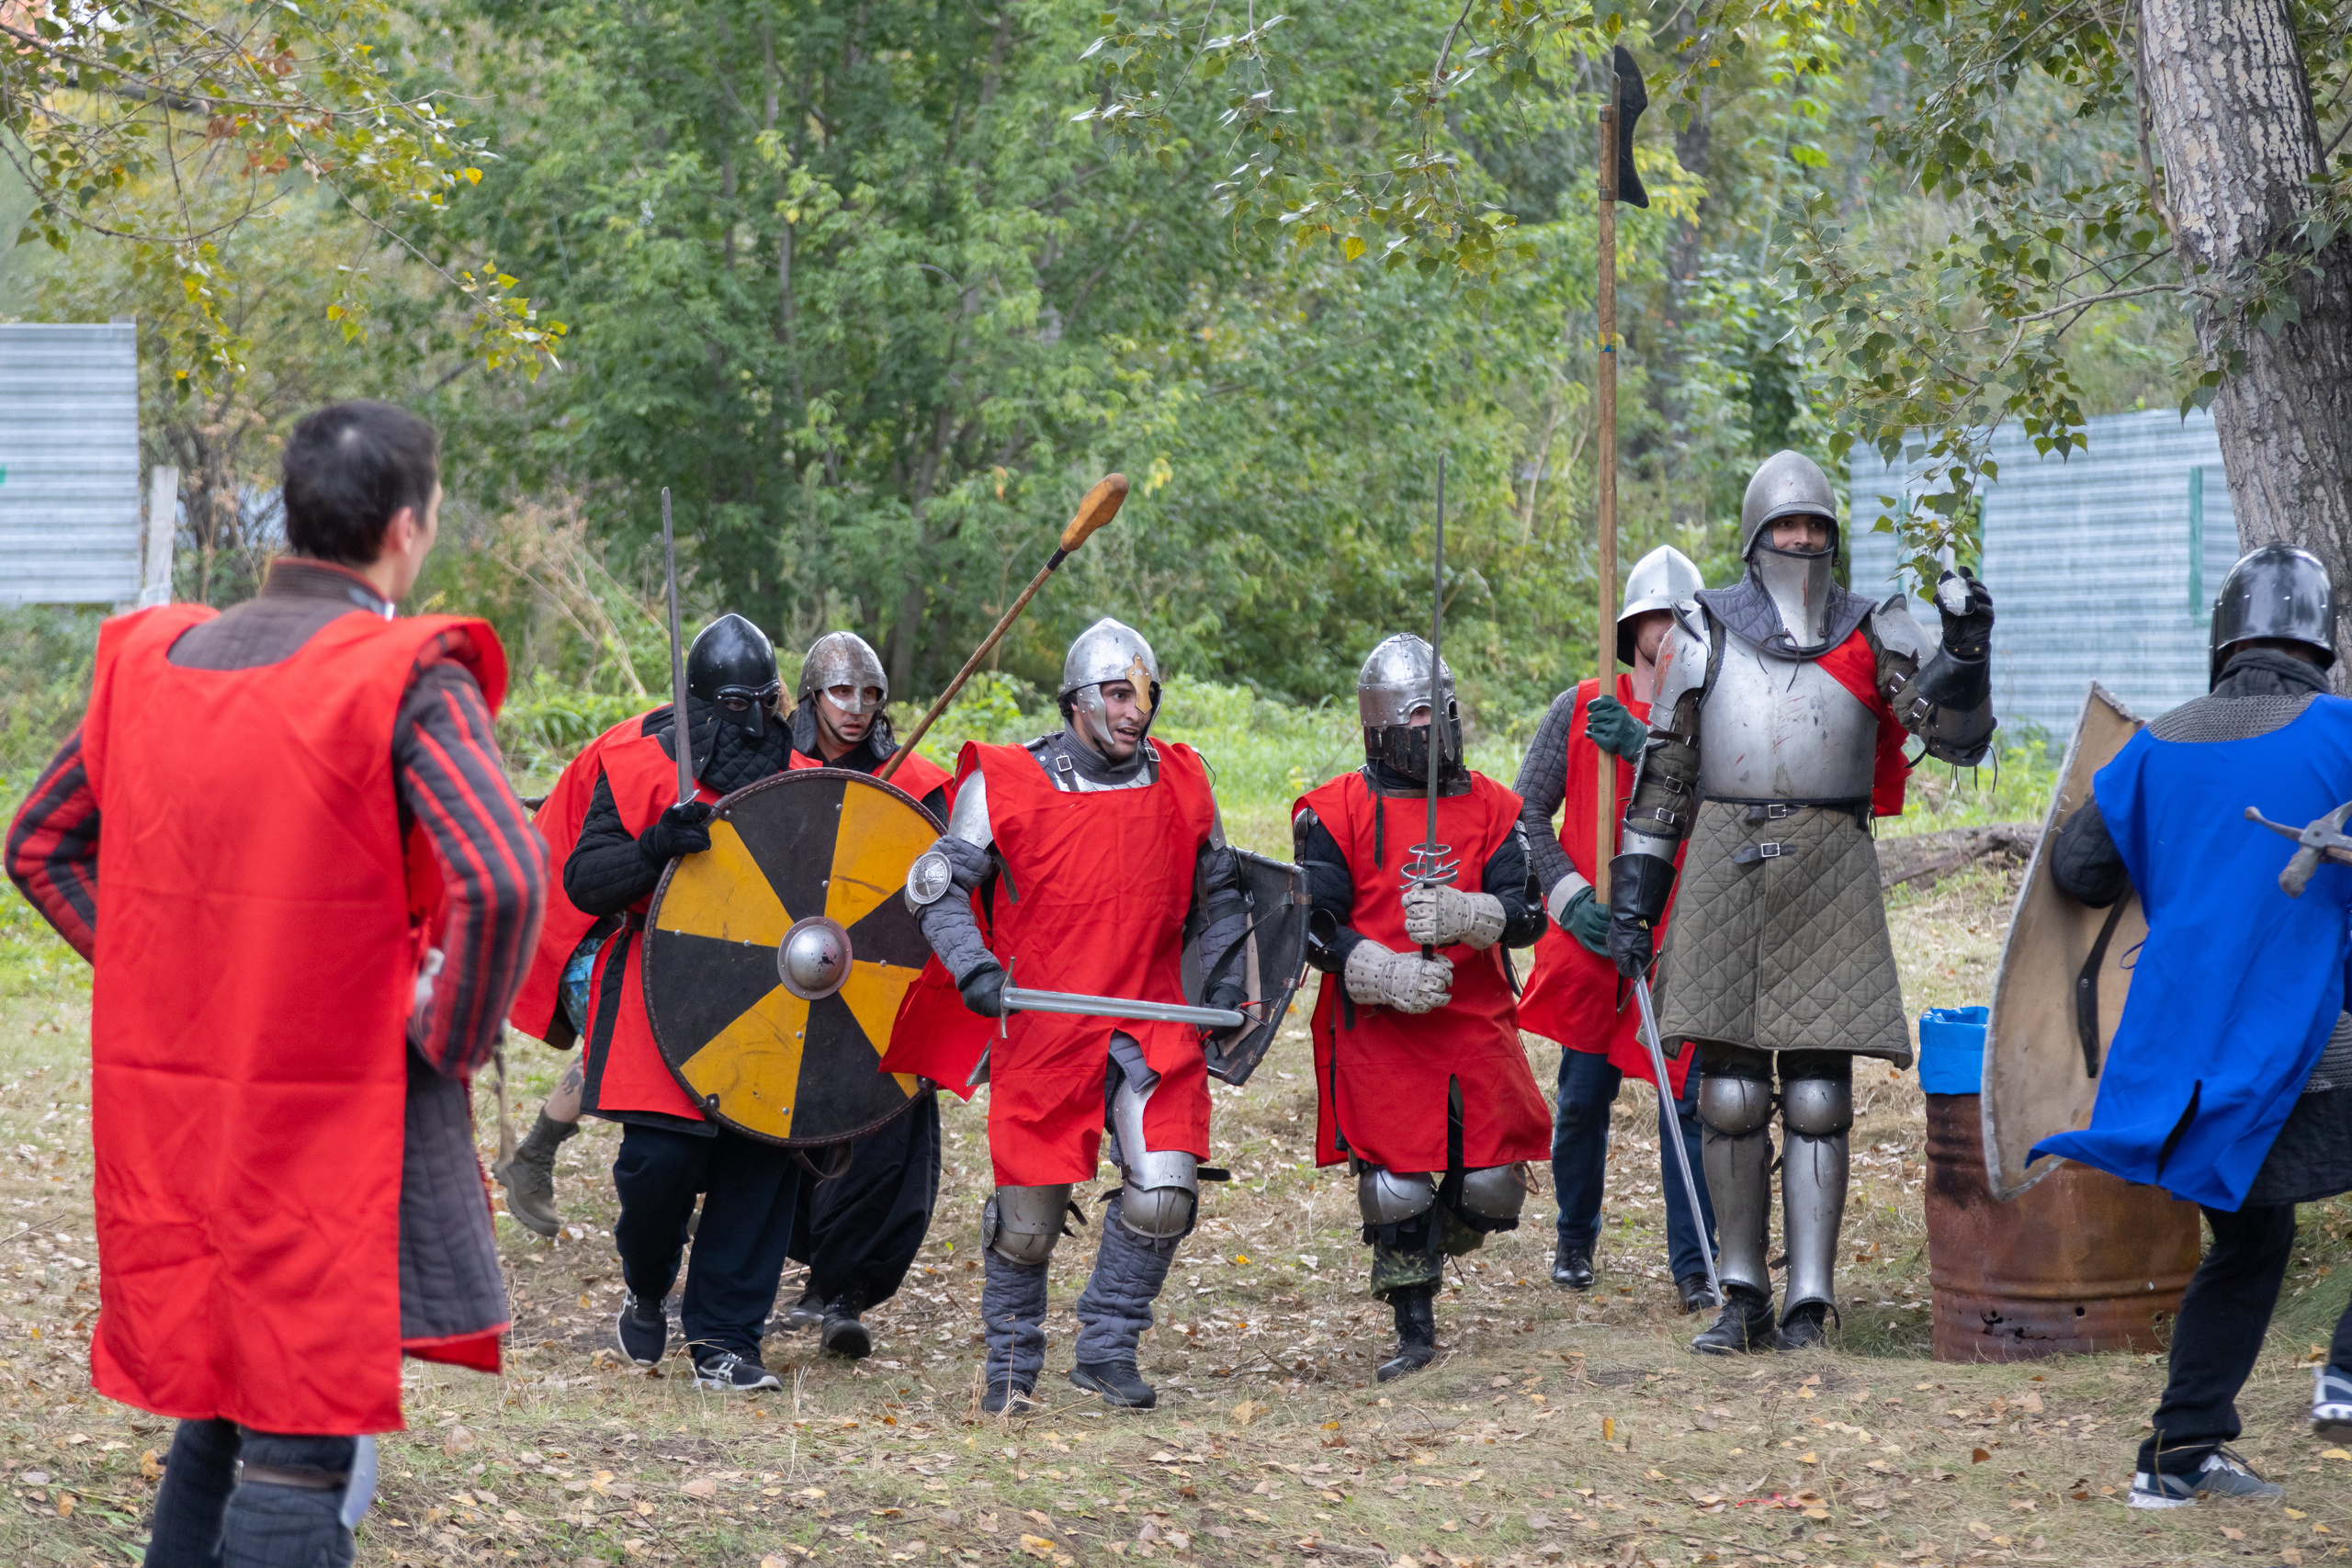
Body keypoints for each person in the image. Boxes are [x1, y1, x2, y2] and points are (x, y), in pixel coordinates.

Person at [5, 400, 548, 1566]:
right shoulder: (402, 674)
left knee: (220, 1396)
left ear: (291, 516)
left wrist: (177, 978)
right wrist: (438, 1036)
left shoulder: (157, 658)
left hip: (190, 1110)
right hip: (326, 1119)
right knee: (301, 1439)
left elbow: (41, 843)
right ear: (407, 529)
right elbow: (501, 878)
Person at [1607, 448, 1997, 1354]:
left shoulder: (1875, 629)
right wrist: (1636, 894)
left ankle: (1810, 1303)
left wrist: (1966, 651)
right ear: (1755, 535)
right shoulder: (1701, 630)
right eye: (1787, 525)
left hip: (1830, 867)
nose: (1801, 538)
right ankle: (1739, 1294)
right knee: (1732, 1094)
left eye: (1815, 526)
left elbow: (1953, 736)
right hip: (1725, 861)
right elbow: (1664, 777)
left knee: (1820, 1096)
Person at [2040, 543, 2352, 1506]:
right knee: (2256, 1243)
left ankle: (2175, 1461)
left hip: (2190, 1064)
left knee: (2251, 1244)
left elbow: (2080, 875)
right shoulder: (2343, 731)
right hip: (2314, 1050)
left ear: (2225, 639)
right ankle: (2338, 1377)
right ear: (2320, 642)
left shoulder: (2154, 746)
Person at [889, 618, 1250, 1414]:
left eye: (1146, 694)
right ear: (1077, 701)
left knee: (1164, 1193)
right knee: (1028, 1223)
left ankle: (1108, 1346)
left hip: (1149, 1015)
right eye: (1119, 694)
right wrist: (975, 965)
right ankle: (1012, 1370)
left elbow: (1220, 890)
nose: (1136, 711)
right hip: (1044, 1020)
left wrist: (1224, 982)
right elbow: (937, 886)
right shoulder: (1008, 780)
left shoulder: (1185, 779)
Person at [510, 612, 817, 1392]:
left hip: (772, 987)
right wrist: (655, 847)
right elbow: (587, 879)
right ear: (702, 703)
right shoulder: (640, 759)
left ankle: (725, 1340)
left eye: (762, 699)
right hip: (663, 973)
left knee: (758, 1157)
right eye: (733, 702)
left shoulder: (801, 765)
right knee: (659, 1165)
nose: (749, 716)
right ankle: (648, 1284)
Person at [1293, 635, 1553, 1381]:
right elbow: (1315, 925)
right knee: (1398, 1184)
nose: (1437, 731)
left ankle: (1430, 1245)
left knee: (1492, 1186)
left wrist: (1474, 916)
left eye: (1445, 713)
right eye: (1418, 717)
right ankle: (1414, 1325)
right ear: (1380, 727)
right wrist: (1377, 969)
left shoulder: (1497, 808)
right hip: (1381, 1025)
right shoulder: (1335, 812)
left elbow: (1528, 912)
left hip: (1472, 1016)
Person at [1515, 547, 1719, 1312]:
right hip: (1592, 930)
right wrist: (1569, 899)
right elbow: (1525, 811)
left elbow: (1723, 816)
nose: (1664, 632)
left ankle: (1695, 1262)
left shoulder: (1711, 715)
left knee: (1685, 1102)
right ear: (1632, 623)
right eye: (1654, 618)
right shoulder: (1579, 705)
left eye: (1679, 620)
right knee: (1581, 1097)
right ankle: (1574, 1234)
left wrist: (1652, 755)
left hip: (1675, 931)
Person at [768, 631, 954, 1359]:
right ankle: (771, 1274)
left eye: (870, 693)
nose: (856, 707)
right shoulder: (769, 772)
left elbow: (945, 882)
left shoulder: (918, 784)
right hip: (784, 975)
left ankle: (842, 1291)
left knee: (881, 1136)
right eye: (841, 692)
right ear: (812, 695)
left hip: (880, 977)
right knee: (784, 1128)